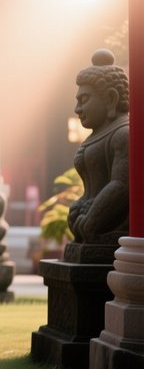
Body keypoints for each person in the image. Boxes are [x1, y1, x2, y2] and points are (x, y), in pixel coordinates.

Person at [67, 49, 129, 244]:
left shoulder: (123, 133)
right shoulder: (99, 134)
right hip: (89, 223)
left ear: (110, 99)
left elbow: (120, 185)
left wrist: (92, 220)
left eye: (84, 100)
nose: (77, 109)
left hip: (109, 225)